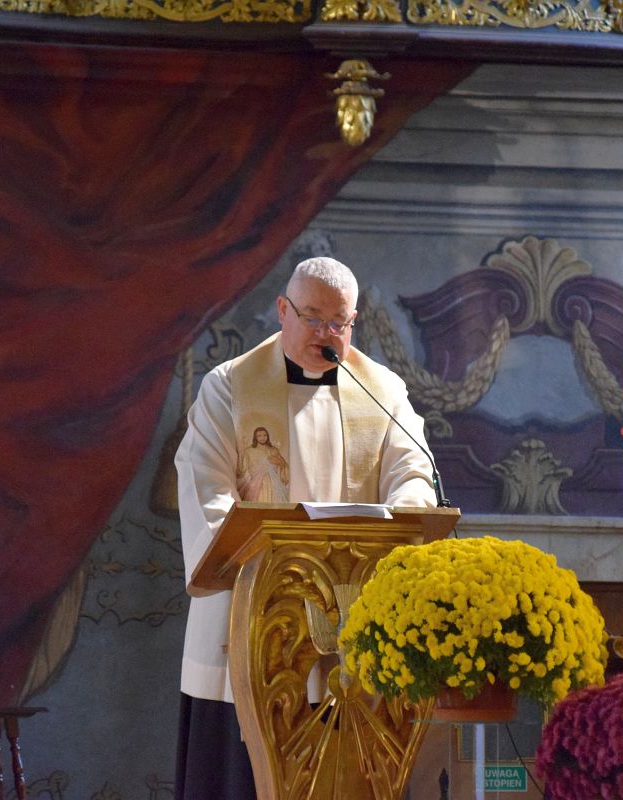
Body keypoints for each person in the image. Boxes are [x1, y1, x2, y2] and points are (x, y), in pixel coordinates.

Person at [174, 257, 437, 799]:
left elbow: (412, 469)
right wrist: (254, 554)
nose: (325, 333)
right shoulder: (231, 387)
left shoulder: (381, 391)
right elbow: (206, 486)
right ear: (282, 310)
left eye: (338, 322)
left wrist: (407, 512)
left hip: (353, 619)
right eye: (312, 318)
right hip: (253, 622)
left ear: (354, 321)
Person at [235, 426, 289, 502]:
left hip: (273, 483)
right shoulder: (249, 451)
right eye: (259, 436)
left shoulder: (273, 450)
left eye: (264, 435)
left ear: (268, 436)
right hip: (255, 484)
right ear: (255, 437)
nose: (262, 438)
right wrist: (241, 453)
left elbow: (284, 465)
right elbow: (242, 469)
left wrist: (276, 462)